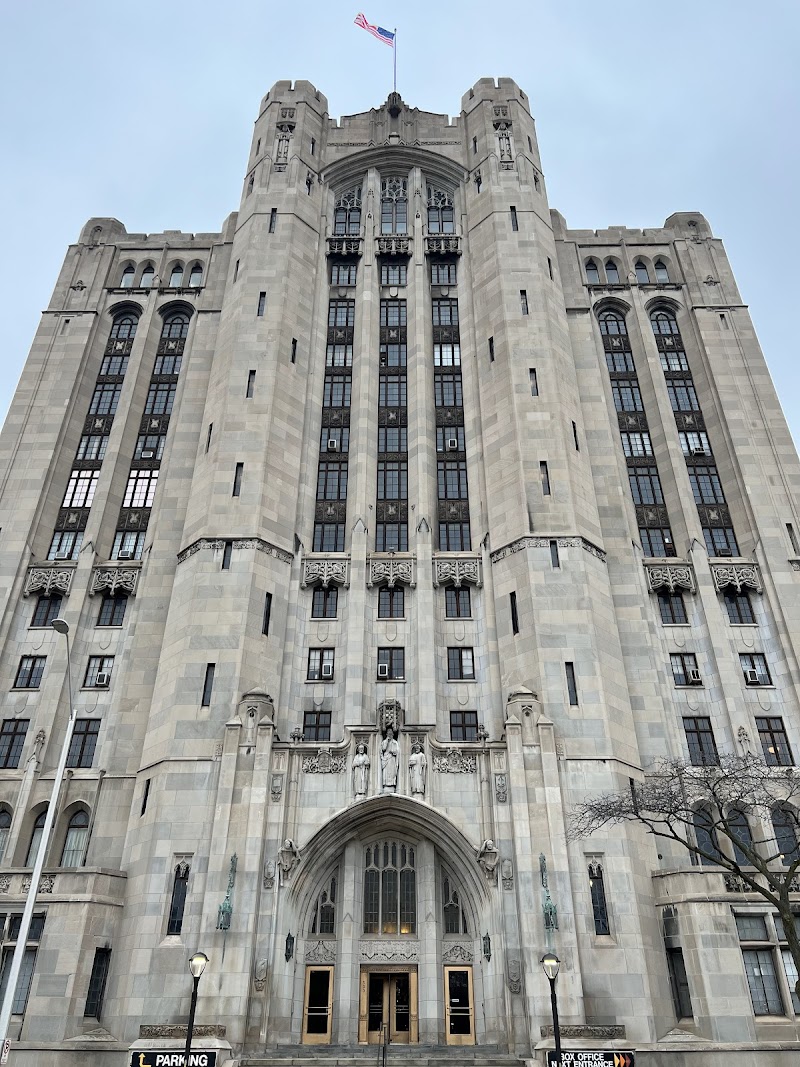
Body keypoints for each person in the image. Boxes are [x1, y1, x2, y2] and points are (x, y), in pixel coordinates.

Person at [380, 727, 400, 792]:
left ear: (393, 735)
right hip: (386, 758)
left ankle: (392, 785)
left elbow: (397, 751)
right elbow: (383, 749)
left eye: (391, 734)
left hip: (392, 759)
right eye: (388, 734)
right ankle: (385, 785)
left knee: (392, 772)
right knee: (385, 772)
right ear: (386, 735)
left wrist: (392, 751)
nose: (390, 735)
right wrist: (387, 741)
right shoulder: (384, 742)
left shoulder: (395, 742)